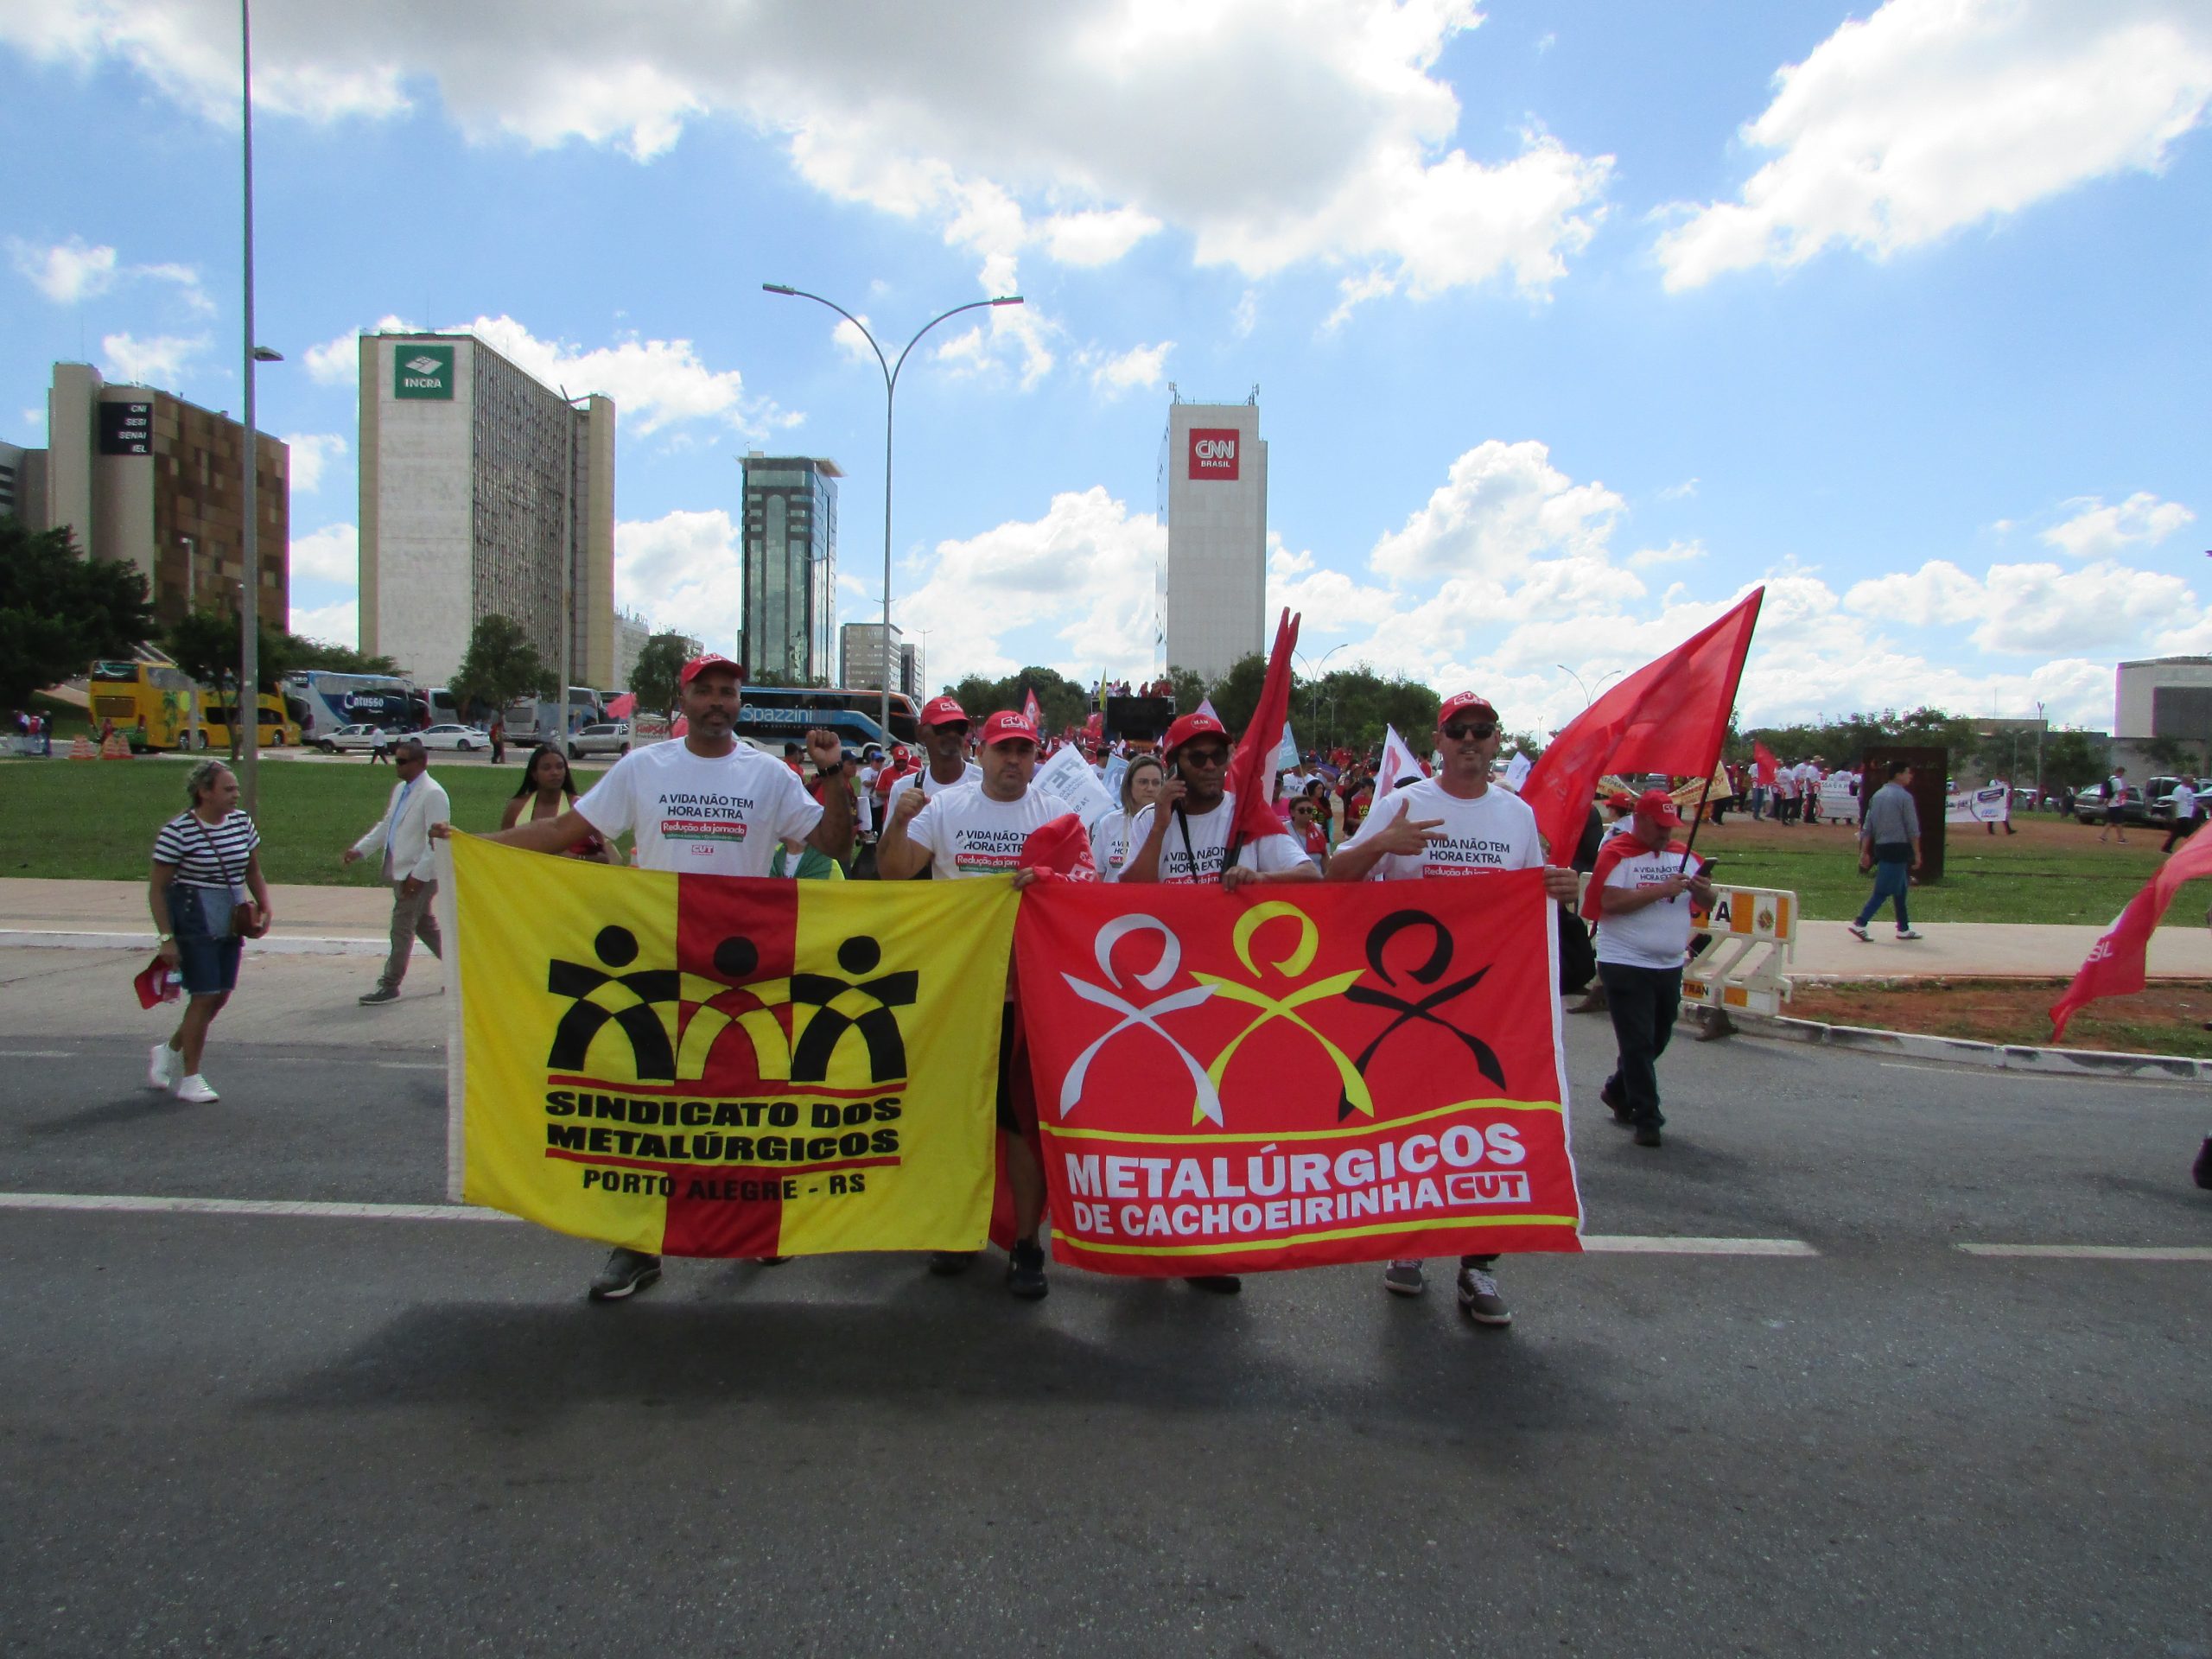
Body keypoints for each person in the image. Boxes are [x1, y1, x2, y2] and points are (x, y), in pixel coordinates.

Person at [442, 652, 852, 1303]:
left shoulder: (768, 775)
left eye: (729, 692)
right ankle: (637, 1245)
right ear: (682, 699)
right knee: (651, 1110)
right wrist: (470, 846)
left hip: (744, 968)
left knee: (745, 1103)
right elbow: (563, 831)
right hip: (659, 965)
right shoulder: (643, 768)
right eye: (706, 691)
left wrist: (836, 774)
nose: (719, 701)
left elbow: (834, 847)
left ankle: (757, 1226)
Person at [1328, 692, 1583, 1325]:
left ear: (1497, 740)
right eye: (1457, 730)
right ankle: (1408, 1247)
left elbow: (1534, 899)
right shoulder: (1404, 803)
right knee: (1415, 1131)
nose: (1470, 739)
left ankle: (1479, 1266)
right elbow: (1336, 879)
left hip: (1491, 1008)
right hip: (1405, 1005)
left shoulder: (1516, 816)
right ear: (1437, 741)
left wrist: (1562, 888)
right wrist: (1382, 841)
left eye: (1482, 730)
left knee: (1492, 1132)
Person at [875, 709, 1087, 1299]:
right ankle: (956, 1228)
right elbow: (893, 873)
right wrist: (897, 821)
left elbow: (1089, 891)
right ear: (982, 752)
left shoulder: (1057, 815)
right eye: (1003, 750)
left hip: (1030, 998)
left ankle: (1026, 1243)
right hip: (959, 994)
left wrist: (1050, 879)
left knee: (1021, 1125)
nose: (1014, 760)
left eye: (1024, 750)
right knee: (954, 1118)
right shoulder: (946, 808)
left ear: (1034, 755)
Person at [1586, 789, 1713, 1148]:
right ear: (1639, 820)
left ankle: (1617, 1088)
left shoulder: (1683, 857)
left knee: (1658, 1036)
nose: (1666, 834)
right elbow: (1608, 902)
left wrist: (1705, 892)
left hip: (1668, 964)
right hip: (1625, 961)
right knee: (1637, 1041)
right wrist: (1659, 890)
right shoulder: (1616, 854)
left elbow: (1704, 902)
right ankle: (1647, 1116)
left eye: (1670, 826)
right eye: (1658, 826)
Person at [146, 760, 271, 1104]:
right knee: (204, 994)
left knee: (220, 994)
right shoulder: (177, 832)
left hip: (230, 919)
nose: (235, 795)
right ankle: (191, 1077)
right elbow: (158, 889)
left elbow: (253, 869)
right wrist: (166, 938)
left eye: (235, 789)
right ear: (204, 792)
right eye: (228, 789)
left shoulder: (242, 823)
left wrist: (264, 905)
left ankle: (169, 1050)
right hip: (193, 919)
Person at [345, 736, 454, 1005]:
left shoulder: (433, 793)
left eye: (403, 761)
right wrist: (361, 849)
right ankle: (462, 972)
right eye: (397, 760)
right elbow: (387, 825)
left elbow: (437, 841)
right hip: (402, 869)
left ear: (419, 763)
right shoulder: (401, 790)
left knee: (401, 926)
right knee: (425, 926)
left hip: (420, 873)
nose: (397, 765)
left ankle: (389, 984)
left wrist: (418, 876)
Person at [501, 743, 620, 862]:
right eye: (547, 768)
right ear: (534, 774)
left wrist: (575, 857)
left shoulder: (578, 806)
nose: (555, 772)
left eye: (560, 767)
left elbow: (604, 858)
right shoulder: (517, 807)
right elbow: (500, 850)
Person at [1847, 760, 1924, 943]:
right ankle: (1860, 922)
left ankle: (1903, 928)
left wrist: (1864, 851)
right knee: (1883, 890)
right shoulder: (1904, 797)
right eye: (1908, 772)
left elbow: (1868, 826)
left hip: (1882, 846)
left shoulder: (1878, 795)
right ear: (1898, 774)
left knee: (1901, 889)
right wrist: (1917, 852)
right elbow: (1912, 828)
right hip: (1898, 847)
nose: (1910, 776)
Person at [883, 696, 982, 821]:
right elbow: (888, 840)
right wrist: (899, 820)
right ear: (920, 732)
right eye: (943, 727)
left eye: (960, 728)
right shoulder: (904, 789)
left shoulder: (985, 783)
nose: (952, 733)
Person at [1090, 753, 1163, 881]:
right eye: (1143, 782)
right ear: (1129, 785)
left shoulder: (1172, 824)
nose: (1150, 788)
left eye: (1156, 783)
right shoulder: (1109, 822)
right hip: (1113, 900)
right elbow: (1096, 875)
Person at [2161, 777, 2199, 854]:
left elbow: (2192, 801)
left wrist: (2201, 806)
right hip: (2182, 814)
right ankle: (2190, 849)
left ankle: (2166, 848)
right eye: (2191, 781)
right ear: (2185, 781)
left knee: (2177, 833)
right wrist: (2174, 815)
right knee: (2189, 833)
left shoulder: (2189, 790)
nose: (2192, 783)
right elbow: (2174, 802)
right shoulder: (2179, 789)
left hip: (2188, 815)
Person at [2099, 766, 2130, 844]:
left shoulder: (2110, 779)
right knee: (2119, 822)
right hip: (2116, 804)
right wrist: (2126, 792)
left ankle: (2103, 836)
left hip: (2110, 803)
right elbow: (2120, 792)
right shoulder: (2117, 780)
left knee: (2110, 821)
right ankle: (2121, 838)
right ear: (2120, 772)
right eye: (2122, 773)